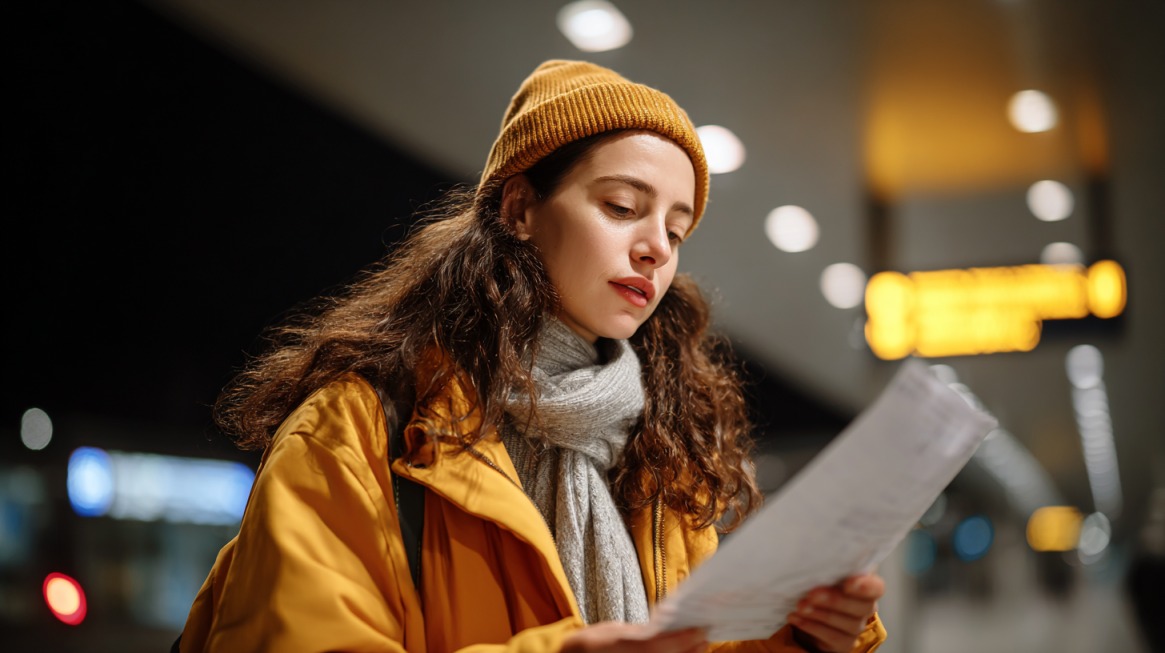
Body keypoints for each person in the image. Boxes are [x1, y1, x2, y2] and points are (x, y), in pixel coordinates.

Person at [177, 59, 888, 653]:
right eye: (619, 206)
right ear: (518, 209)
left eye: (676, 230)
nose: (655, 248)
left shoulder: (659, 456)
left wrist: (798, 635)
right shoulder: (358, 427)